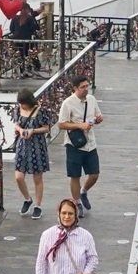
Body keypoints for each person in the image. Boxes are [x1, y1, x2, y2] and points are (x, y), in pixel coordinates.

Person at [56, 75, 102, 214]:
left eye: (87, 86)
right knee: (75, 175)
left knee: (94, 174)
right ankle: (76, 203)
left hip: (90, 143)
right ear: (75, 88)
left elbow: (98, 115)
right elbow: (62, 124)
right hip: (74, 144)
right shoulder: (68, 103)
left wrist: (98, 119)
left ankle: (84, 191)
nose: (86, 89)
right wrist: (80, 126)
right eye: (82, 87)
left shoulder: (91, 99)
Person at [12, 88, 53, 220]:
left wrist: (32, 131)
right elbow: (16, 124)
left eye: (23, 103)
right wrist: (21, 130)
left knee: (37, 178)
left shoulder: (41, 111)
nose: (21, 105)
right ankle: (27, 199)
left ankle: (38, 205)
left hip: (37, 146)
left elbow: (47, 128)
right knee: (18, 177)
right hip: (22, 146)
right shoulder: (18, 109)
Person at [8, 4, 42, 76]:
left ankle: (21, 70)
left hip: (16, 41)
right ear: (27, 10)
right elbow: (34, 28)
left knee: (20, 54)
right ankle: (32, 67)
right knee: (30, 51)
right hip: (26, 41)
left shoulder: (14, 18)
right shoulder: (29, 18)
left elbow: (11, 29)